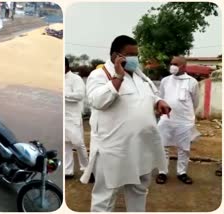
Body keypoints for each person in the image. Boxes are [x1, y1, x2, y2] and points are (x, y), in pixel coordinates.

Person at [80, 35, 171, 212]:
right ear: (115, 56)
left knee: (139, 189)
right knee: (106, 196)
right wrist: (118, 77)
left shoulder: (139, 75)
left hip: (141, 146)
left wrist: (158, 101)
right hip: (114, 149)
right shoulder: (99, 75)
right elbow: (97, 101)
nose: (134, 59)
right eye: (129, 55)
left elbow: (149, 93)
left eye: (136, 54)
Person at [156, 56, 200, 185]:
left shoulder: (192, 82)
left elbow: (196, 101)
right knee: (163, 146)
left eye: (175, 64)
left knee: (184, 148)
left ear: (184, 66)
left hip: (184, 121)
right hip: (166, 119)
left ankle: (182, 173)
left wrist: (188, 115)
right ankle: (162, 172)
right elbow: (160, 97)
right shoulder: (165, 80)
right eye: (171, 63)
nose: (172, 66)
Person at [65, 57, 89, 178]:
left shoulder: (76, 79)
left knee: (78, 143)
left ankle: (86, 169)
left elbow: (80, 95)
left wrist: (65, 95)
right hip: (63, 117)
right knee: (66, 144)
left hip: (73, 117)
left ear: (66, 66)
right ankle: (68, 171)